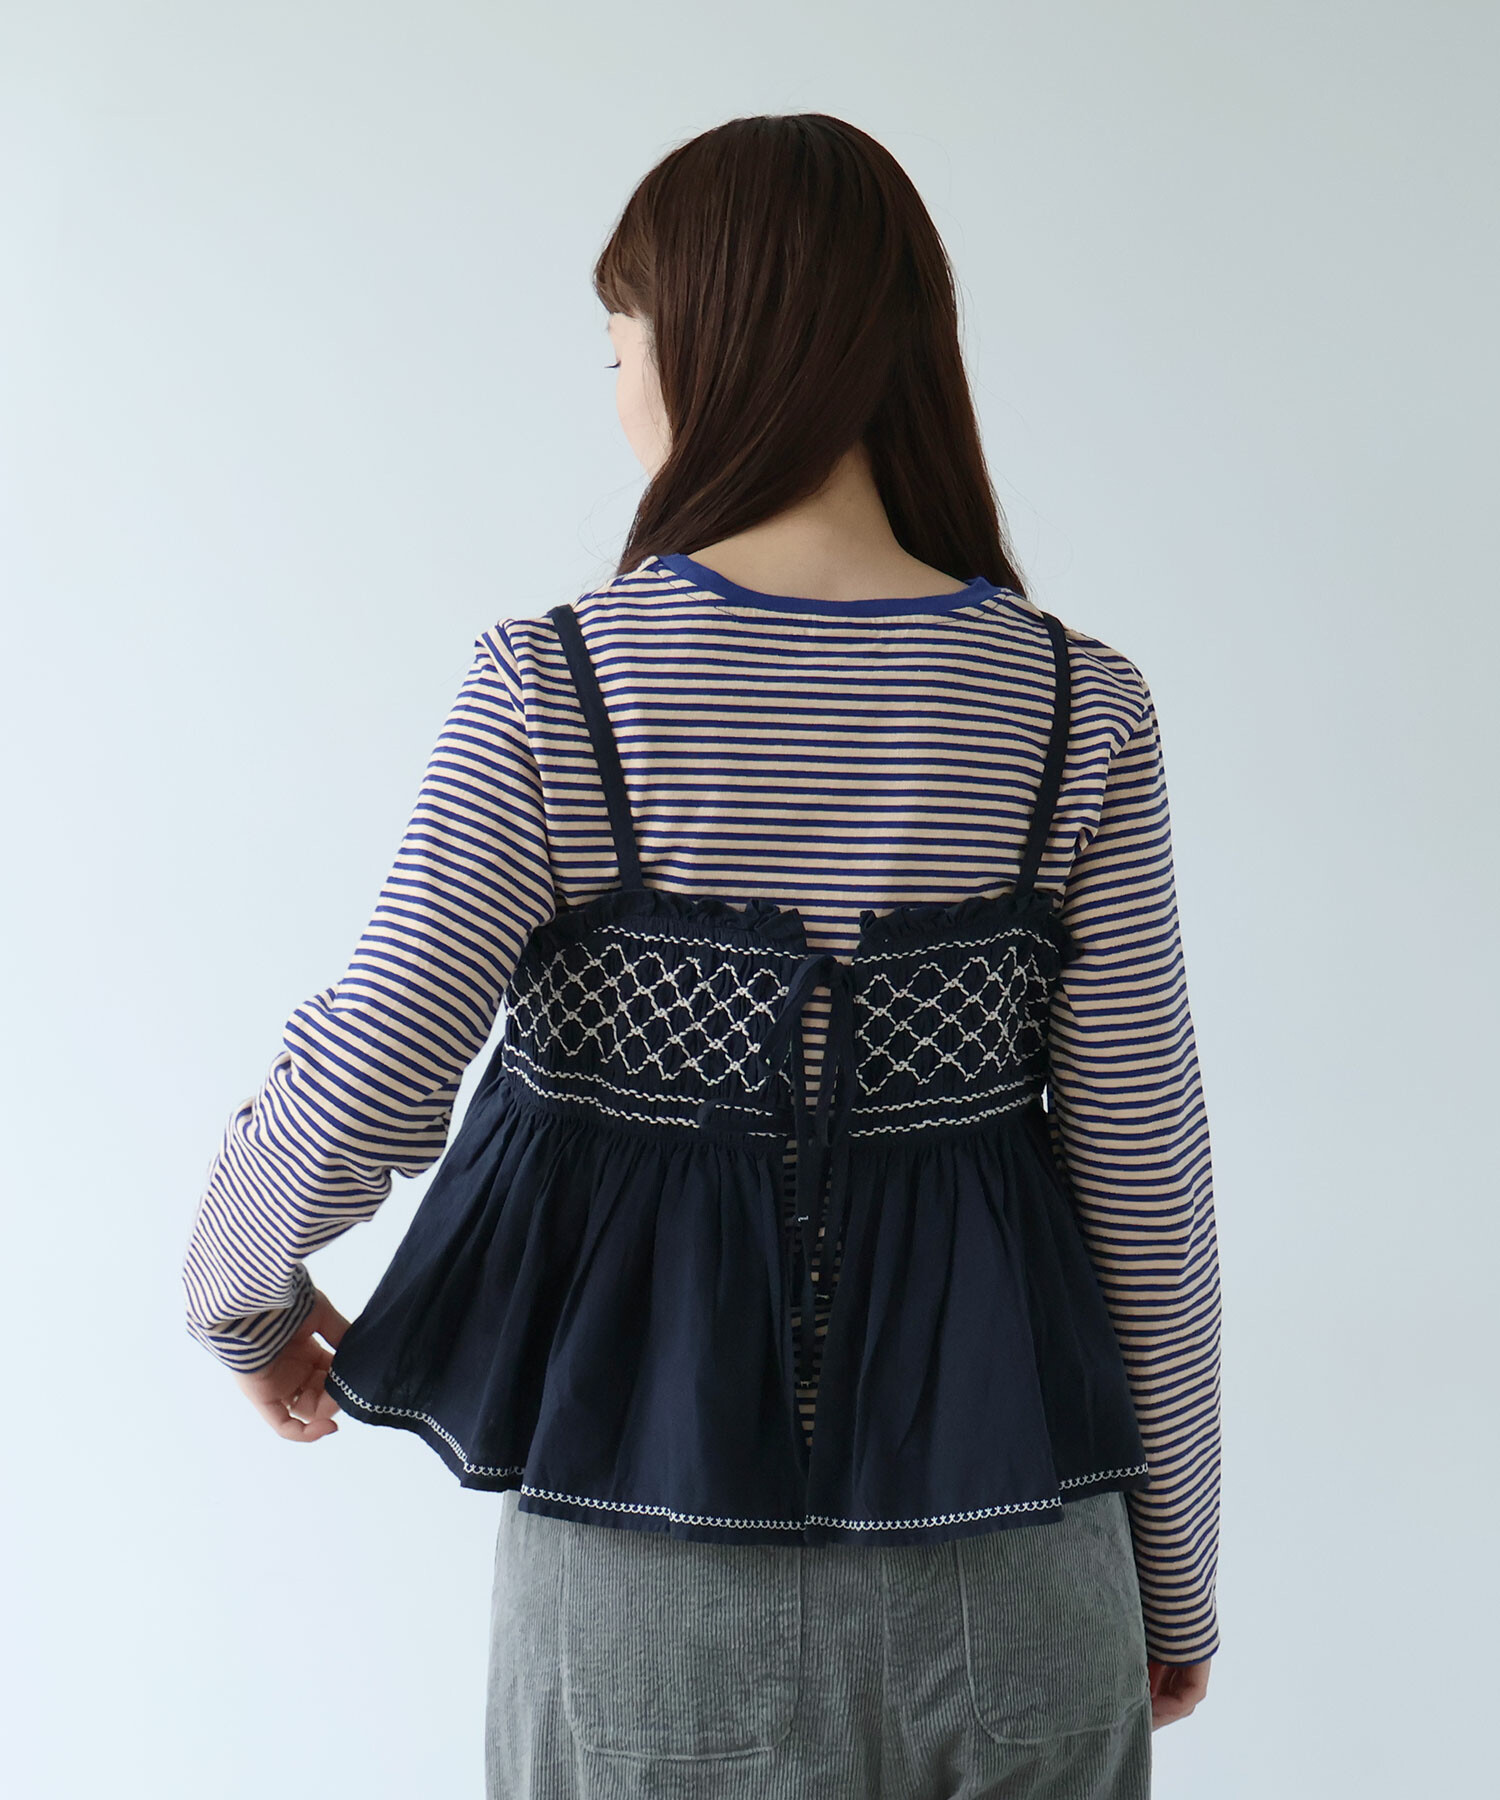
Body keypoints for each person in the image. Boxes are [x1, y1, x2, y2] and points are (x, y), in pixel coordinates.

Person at [182, 113, 1220, 1796]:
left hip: (650, 1590)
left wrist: (238, 1296)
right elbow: (1144, 1186)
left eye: (620, 345)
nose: (618, 393)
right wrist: (1172, 1573)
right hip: (1029, 1580)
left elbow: (372, 1067)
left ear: (708, 348)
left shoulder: (559, 690)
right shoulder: (1074, 706)